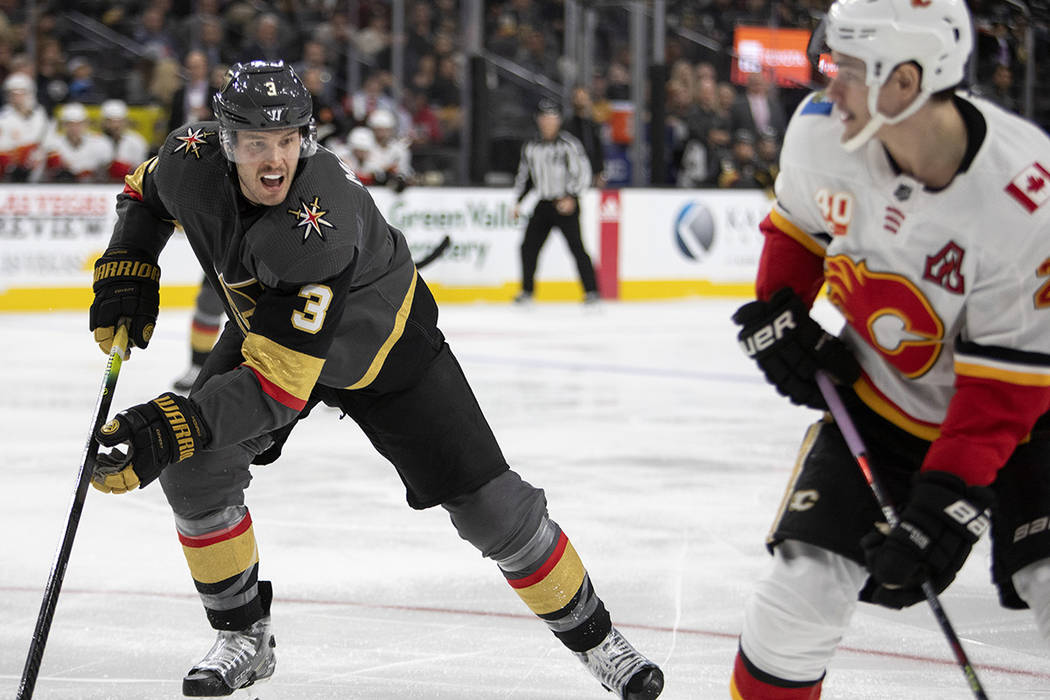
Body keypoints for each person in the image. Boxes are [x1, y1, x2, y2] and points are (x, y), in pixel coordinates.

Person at [87, 60, 663, 699]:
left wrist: (170, 427)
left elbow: (280, 389)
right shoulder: (188, 158)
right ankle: (244, 637)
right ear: (224, 141)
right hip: (272, 331)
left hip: (383, 351)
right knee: (196, 469)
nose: (274, 160)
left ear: (306, 136)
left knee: (492, 510)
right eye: (256, 143)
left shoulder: (317, 225)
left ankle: (599, 640)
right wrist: (128, 261)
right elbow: (145, 194)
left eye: (288, 140)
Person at [728, 1, 1050, 697]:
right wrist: (779, 313)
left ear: (905, 81)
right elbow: (799, 230)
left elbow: (1005, 393)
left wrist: (947, 501)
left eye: (845, 69)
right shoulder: (821, 134)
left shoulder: (1025, 198)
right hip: (886, 399)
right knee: (796, 602)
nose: (825, 85)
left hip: (1030, 420)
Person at [512, 98, 598, 304]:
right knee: (528, 247)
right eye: (544, 118)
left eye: (552, 118)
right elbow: (525, 176)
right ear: (538, 120)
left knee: (577, 247)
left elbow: (583, 173)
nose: (548, 122)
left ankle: (592, 291)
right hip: (543, 203)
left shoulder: (568, 145)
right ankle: (527, 291)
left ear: (558, 120)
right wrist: (517, 201)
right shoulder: (531, 147)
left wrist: (572, 197)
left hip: (565, 204)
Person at [40, 102, 114, 183]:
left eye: (79, 124)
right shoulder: (52, 144)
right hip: (60, 187)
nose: (75, 128)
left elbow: (108, 171)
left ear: (86, 124)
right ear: (63, 125)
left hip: (93, 188)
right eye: (70, 124)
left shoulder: (100, 142)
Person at [100, 99, 150, 182]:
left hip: (129, 184)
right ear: (104, 122)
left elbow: (141, 170)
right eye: (111, 121)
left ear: (125, 121)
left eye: (119, 121)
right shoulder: (95, 140)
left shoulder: (137, 141)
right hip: (99, 185)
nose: (115, 126)